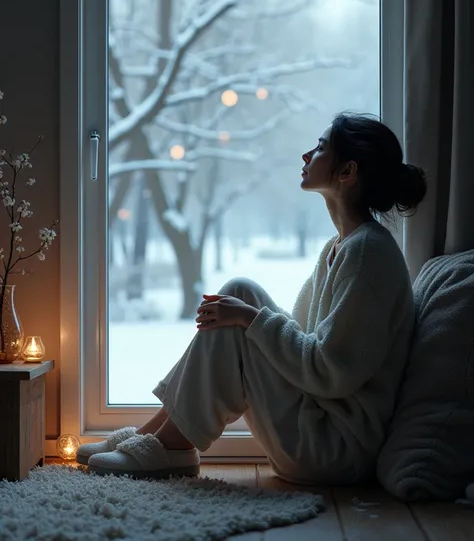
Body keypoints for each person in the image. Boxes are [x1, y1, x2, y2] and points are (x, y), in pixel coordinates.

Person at [77, 111, 427, 484]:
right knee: (240, 291)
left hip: (336, 447)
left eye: (321, 147)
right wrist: (248, 315)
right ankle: (155, 437)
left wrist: (250, 319)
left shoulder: (369, 253)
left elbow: (328, 373)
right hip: (320, 423)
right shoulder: (341, 246)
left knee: (241, 312)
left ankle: (171, 447)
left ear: (347, 172)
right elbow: (300, 341)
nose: (306, 156)